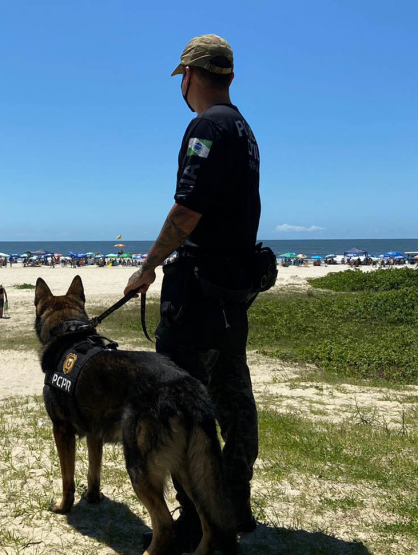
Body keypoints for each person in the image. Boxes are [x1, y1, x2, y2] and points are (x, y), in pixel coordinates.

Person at [124, 33, 261, 550]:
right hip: (232, 295)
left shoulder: (206, 127)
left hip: (200, 296)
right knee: (232, 399)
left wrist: (147, 266)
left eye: (182, 78)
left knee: (180, 409)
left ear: (190, 75)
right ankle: (234, 505)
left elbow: (187, 211)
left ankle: (199, 520)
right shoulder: (245, 131)